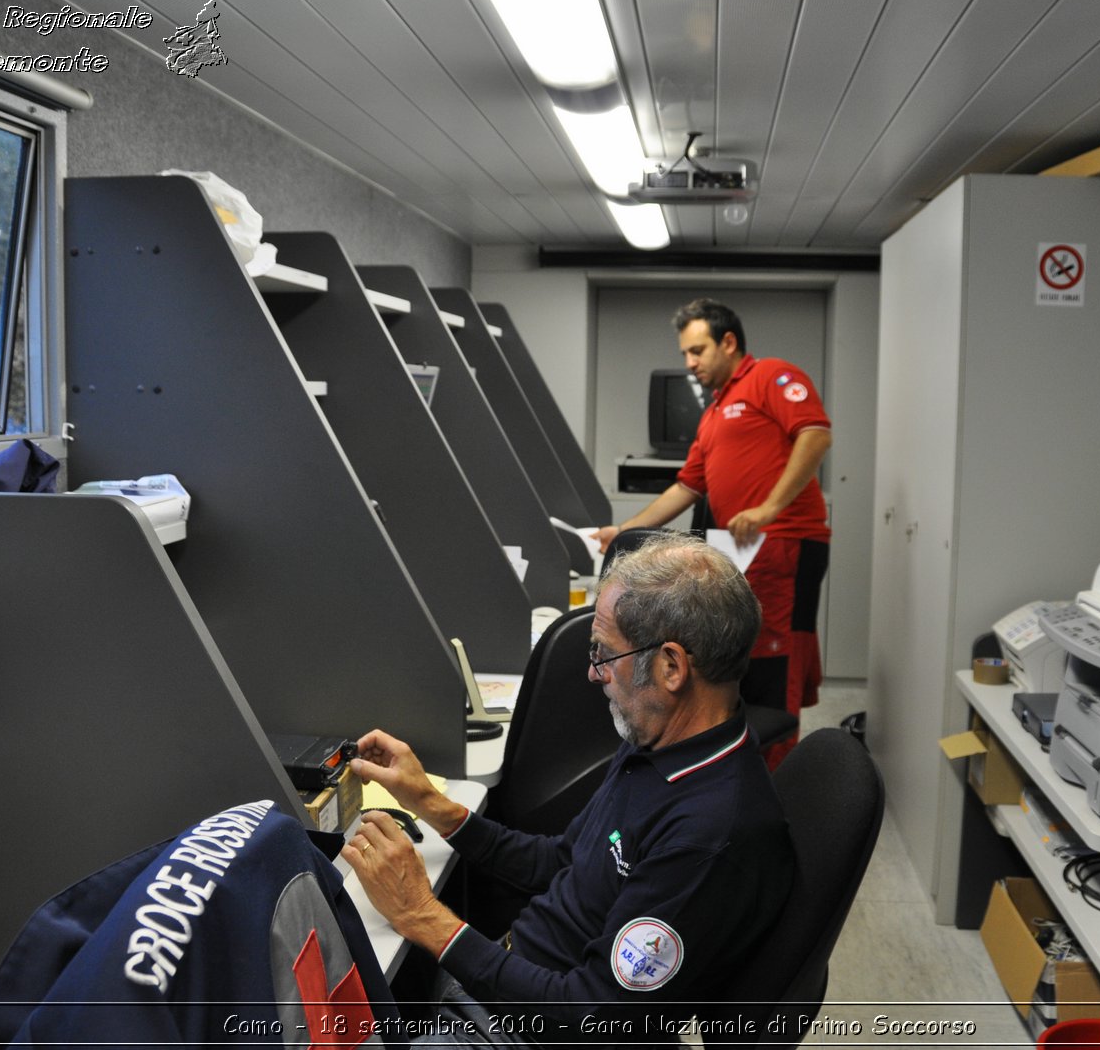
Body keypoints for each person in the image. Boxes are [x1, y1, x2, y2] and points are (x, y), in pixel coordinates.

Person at [341, 533, 794, 1046]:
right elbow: (563, 862)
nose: (593, 672)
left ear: (670, 667)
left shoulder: (710, 834)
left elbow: (591, 1013)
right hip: (503, 980)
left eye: (606, 653)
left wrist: (421, 915)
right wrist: (431, 804)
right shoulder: (659, 742)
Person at [594, 299, 832, 761]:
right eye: (685, 353)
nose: (690, 363)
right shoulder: (715, 411)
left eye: (698, 350)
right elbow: (686, 486)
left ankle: (780, 777)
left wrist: (768, 508)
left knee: (778, 661)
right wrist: (623, 530)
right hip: (745, 551)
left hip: (785, 544)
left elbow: (816, 434)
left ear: (729, 342)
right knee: (746, 654)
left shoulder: (771, 377)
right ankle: (742, 763)